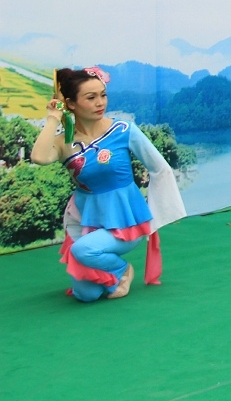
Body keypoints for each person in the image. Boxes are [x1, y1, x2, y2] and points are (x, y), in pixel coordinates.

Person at [30, 67, 185, 302]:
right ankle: (106, 271)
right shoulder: (64, 142)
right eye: (91, 97)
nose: (100, 103)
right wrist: (53, 117)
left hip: (125, 222)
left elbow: (160, 169)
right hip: (84, 220)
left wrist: (157, 214)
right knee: (86, 295)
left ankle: (123, 269)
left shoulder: (123, 130)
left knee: (83, 250)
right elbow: (39, 157)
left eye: (103, 95)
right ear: (71, 103)